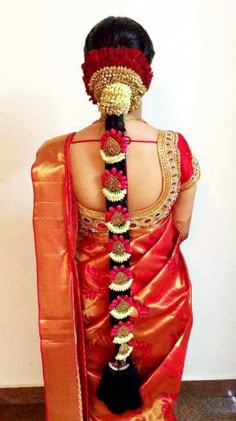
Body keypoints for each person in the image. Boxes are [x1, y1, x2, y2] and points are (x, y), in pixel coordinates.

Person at [32, 16, 201, 421]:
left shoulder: (59, 155)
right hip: (162, 307)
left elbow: (60, 244)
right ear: (147, 75)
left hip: (91, 310)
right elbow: (181, 230)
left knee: (97, 405)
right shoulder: (176, 149)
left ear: (89, 78)